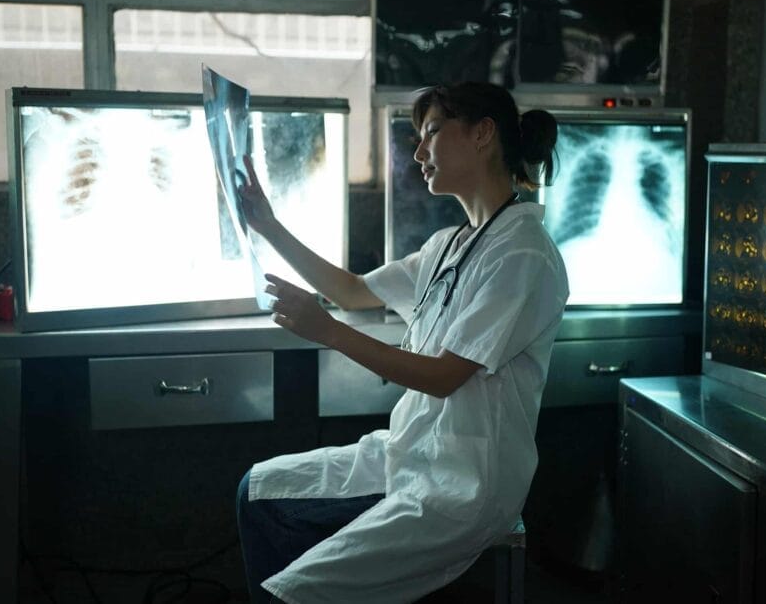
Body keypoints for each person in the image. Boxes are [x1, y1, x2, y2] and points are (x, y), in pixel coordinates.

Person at [235, 81, 569, 604]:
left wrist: (326, 331)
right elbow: (352, 290)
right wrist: (269, 226)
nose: (418, 152)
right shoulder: (449, 245)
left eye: (431, 132)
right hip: (410, 454)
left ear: (482, 134)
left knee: (289, 594)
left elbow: (442, 377)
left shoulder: (523, 254)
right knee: (256, 492)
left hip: (463, 487)